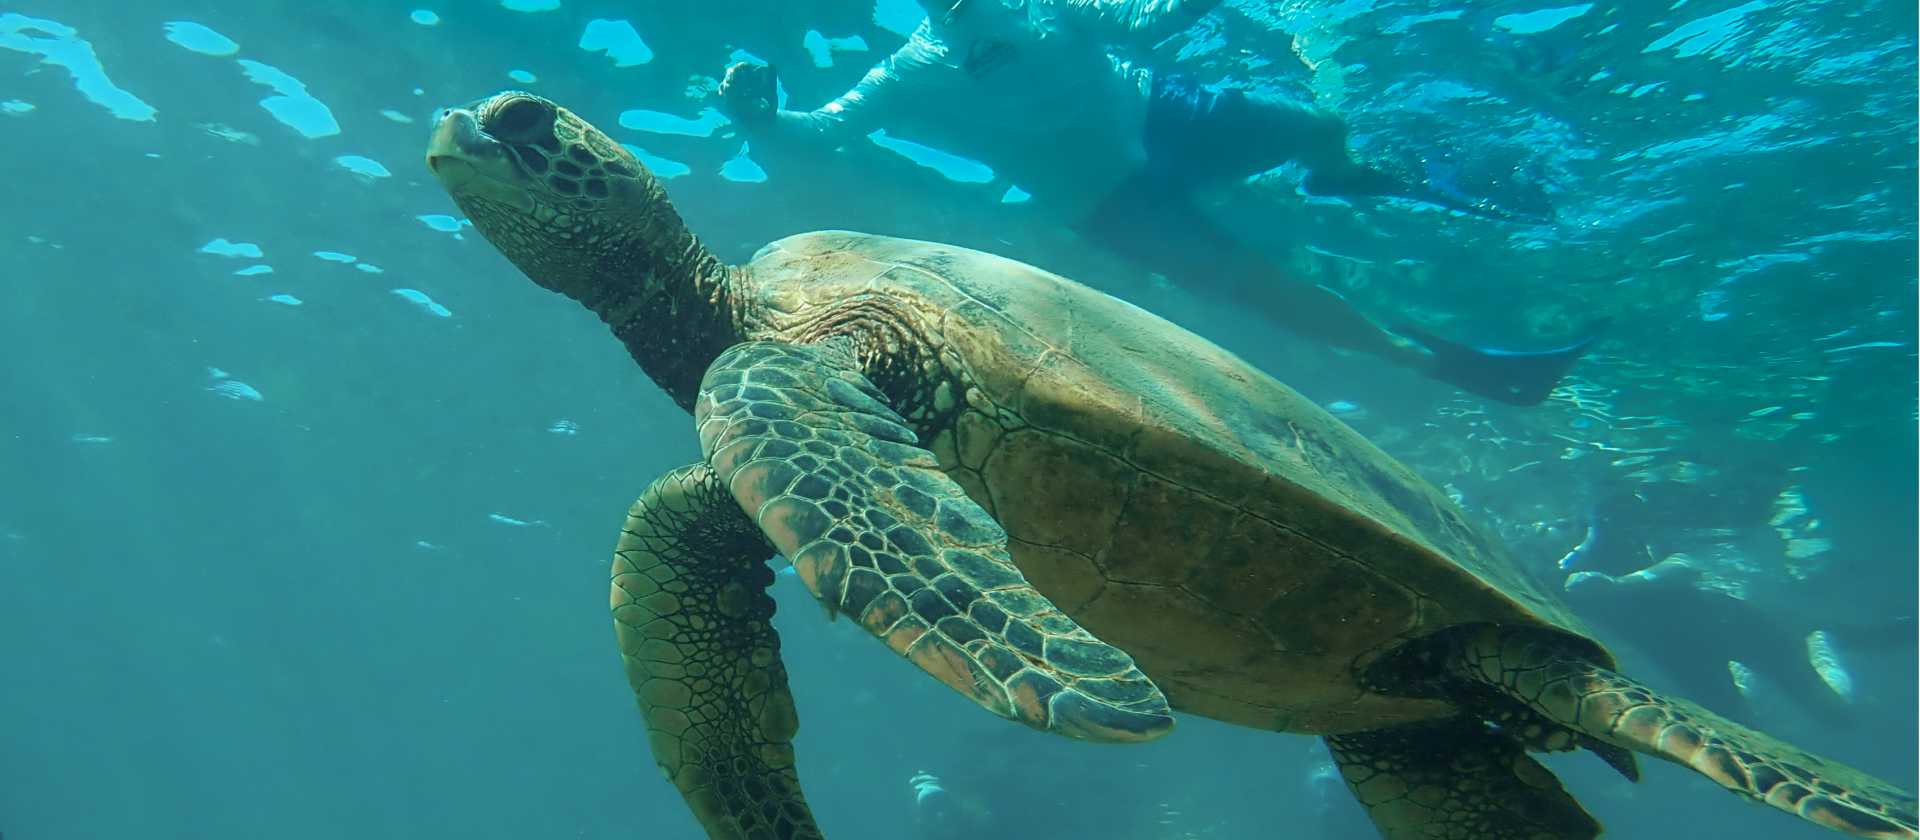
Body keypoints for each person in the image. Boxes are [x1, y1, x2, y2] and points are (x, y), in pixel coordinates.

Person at [717, 0, 1600, 406]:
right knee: (1261, 287)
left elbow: (1143, 22)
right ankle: (1428, 359)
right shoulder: (906, 69)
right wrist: (756, 112)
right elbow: (823, 133)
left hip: (1165, 113)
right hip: (1105, 200)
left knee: (1318, 123)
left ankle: (1337, 173)